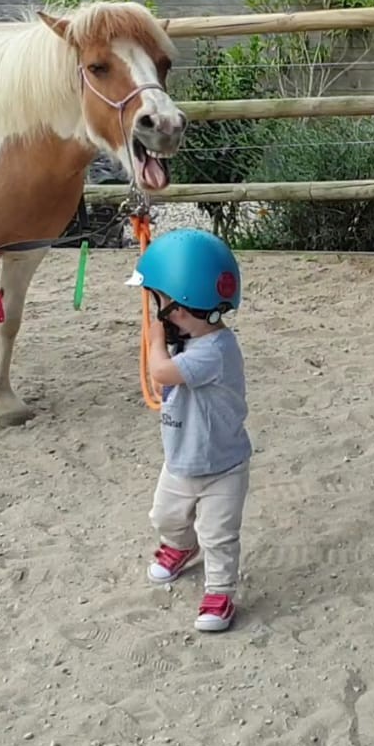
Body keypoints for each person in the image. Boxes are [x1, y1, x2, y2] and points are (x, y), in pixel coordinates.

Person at [125, 227, 252, 630]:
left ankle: (219, 592)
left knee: (219, 535)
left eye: (159, 304)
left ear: (181, 309)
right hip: (181, 461)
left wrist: (155, 335)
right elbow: (166, 381)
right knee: (165, 517)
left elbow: (160, 370)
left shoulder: (215, 350)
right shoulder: (191, 343)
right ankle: (180, 547)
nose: (155, 312)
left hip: (222, 468)